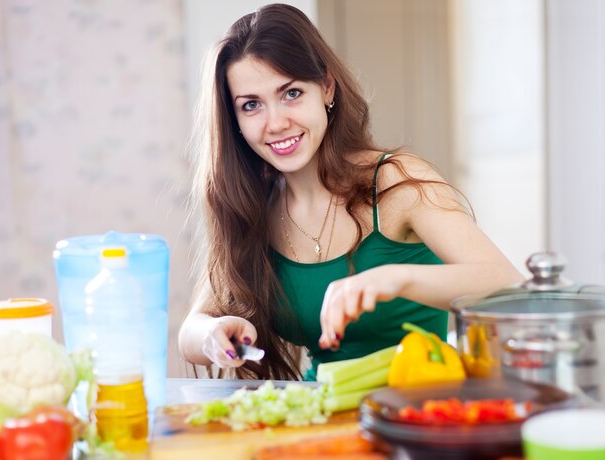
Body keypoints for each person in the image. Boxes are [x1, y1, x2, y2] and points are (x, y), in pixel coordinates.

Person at [178, 3, 522, 381]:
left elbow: (506, 284)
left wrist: (395, 278)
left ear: (326, 88)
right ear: (236, 120)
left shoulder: (395, 181)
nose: (275, 123)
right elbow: (191, 330)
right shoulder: (251, 206)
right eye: (251, 105)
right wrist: (212, 336)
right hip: (320, 418)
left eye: (291, 93)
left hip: (420, 414)